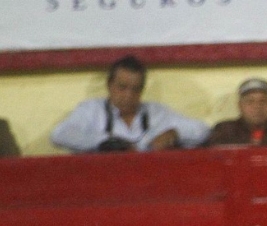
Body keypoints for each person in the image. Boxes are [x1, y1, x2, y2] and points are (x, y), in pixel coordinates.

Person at [50, 55, 209, 153]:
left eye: (135, 90)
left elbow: (203, 130)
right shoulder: (91, 110)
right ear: (109, 85)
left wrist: (174, 134)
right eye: (122, 88)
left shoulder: (156, 112)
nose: (128, 95)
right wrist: (106, 142)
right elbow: (59, 135)